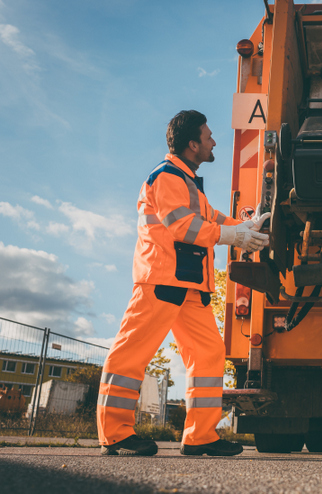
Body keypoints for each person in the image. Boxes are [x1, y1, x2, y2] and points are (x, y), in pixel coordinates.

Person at [97, 110, 270, 456]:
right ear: (193, 144)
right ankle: (115, 434)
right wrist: (231, 235)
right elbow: (183, 227)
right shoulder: (166, 178)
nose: (213, 141)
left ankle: (200, 436)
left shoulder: (187, 182)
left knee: (209, 355)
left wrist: (245, 227)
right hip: (160, 282)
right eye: (208, 137)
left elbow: (209, 218)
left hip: (188, 287)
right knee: (131, 355)